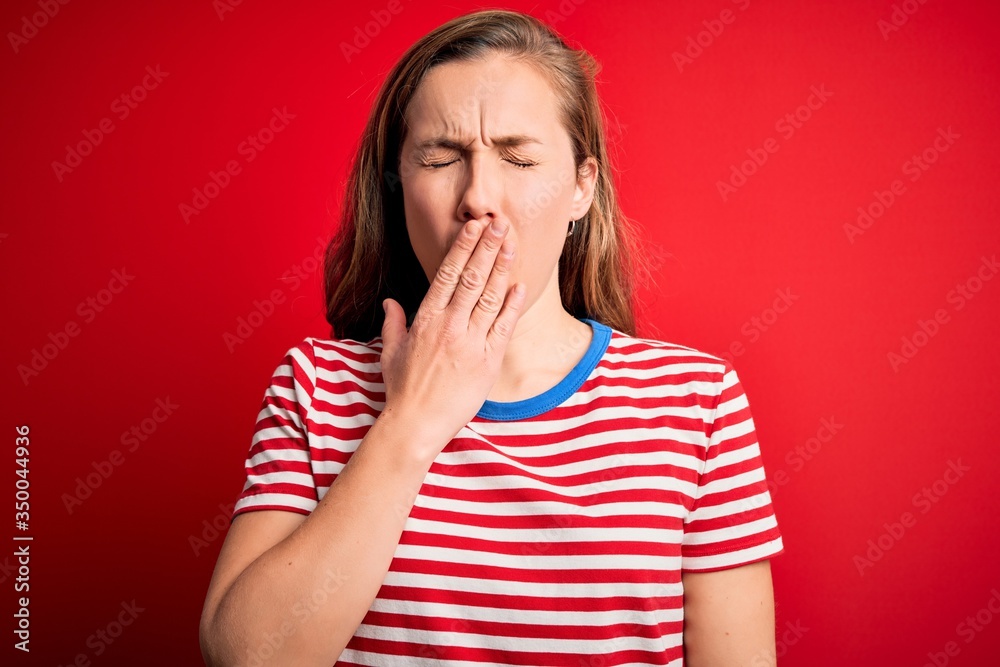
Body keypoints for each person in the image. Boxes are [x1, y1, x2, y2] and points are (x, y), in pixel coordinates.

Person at [199, 8, 784, 666]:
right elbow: (246, 656)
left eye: (518, 158)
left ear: (581, 189)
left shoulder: (697, 404)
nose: (479, 196)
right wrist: (411, 420)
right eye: (441, 157)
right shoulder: (314, 388)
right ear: (398, 186)